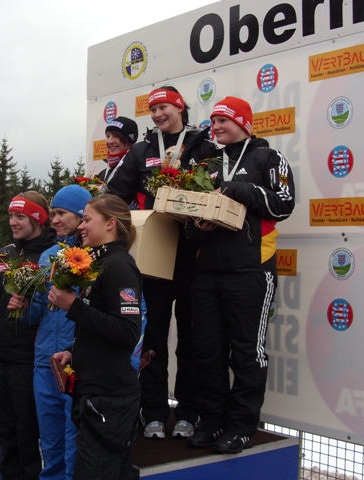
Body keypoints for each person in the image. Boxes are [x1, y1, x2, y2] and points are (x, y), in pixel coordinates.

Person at [184, 96, 295, 454]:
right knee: (207, 352)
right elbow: (190, 225)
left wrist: (238, 189)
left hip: (251, 270)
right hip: (206, 273)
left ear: (244, 122)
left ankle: (242, 426)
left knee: (247, 353)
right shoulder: (208, 164)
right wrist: (197, 226)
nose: (215, 127)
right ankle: (212, 421)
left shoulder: (268, 157)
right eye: (213, 121)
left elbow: (284, 202)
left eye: (223, 121)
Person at [107, 86, 218, 440]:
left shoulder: (203, 146)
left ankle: (188, 411)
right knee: (152, 336)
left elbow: (218, 189)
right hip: (153, 256)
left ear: (180, 107)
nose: (158, 115)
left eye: (164, 107)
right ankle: (152, 411)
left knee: (191, 338)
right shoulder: (141, 150)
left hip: (193, 256)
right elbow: (115, 196)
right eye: (153, 110)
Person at [51, 194, 142, 480]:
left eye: (88, 219)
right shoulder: (99, 265)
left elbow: (128, 332)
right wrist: (73, 353)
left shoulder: (118, 266)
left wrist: (73, 306)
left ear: (111, 224)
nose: (81, 226)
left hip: (109, 399)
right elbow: (101, 329)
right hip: (95, 395)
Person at [0, 192, 57, 479]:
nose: (13, 222)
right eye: (11, 216)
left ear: (38, 219)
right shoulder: (6, 254)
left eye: (20, 217)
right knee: (5, 431)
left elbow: (52, 311)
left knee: (27, 433)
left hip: (28, 358)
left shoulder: (50, 254)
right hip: (0, 354)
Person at [8, 185, 92, 480]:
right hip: (45, 360)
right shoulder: (47, 256)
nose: (54, 220)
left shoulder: (93, 256)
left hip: (75, 360)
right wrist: (22, 305)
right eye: (53, 213)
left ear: (82, 215)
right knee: (50, 440)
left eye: (61, 213)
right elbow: (40, 312)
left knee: (74, 439)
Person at [97, 116, 139, 190]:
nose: (110, 141)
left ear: (130, 141)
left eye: (116, 136)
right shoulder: (101, 175)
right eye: (108, 136)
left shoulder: (138, 171)